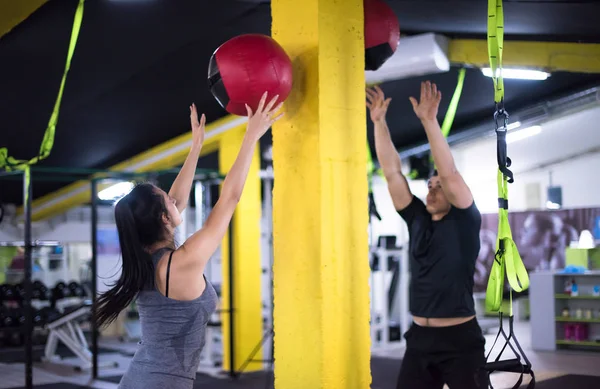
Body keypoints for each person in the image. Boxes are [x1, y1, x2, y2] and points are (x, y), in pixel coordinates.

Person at [96, 92, 283, 389]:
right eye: (167, 201)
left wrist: (196, 146)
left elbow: (177, 200)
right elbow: (230, 198)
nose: (174, 200)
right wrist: (251, 137)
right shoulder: (181, 263)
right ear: (163, 219)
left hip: (140, 380)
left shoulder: (146, 254)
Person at [367, 82, 487, 389]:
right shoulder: (417, 218)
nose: (432, 190)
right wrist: (379, 123)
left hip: (460, 340)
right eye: (429, 187)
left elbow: (449, 173)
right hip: (420, 338)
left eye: (438, 187)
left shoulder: (464, 220)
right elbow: (393, 172)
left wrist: (429, 121)